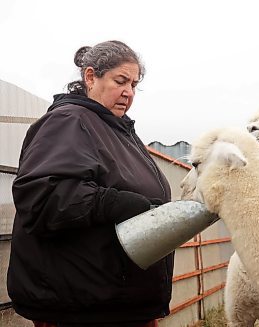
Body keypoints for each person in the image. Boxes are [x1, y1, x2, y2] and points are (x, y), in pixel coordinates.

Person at [7, 40, 174, 327]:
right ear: (90, 77)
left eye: (134, 85)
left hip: (121, 302)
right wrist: (114, 202)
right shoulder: (69, 120)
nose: (128, 92)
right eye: (120, 81)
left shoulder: (117, 129)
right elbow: (42, 197)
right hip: (83, 307)